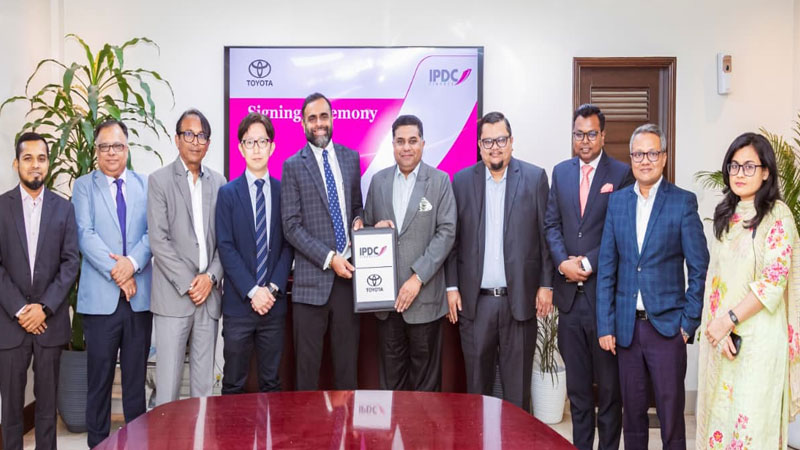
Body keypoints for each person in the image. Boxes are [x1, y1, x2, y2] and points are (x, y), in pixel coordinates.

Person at [596, 123, 708, 449]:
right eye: (638, 154)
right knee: (632, 416)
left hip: (668, 329)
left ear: (664, 158)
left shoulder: (682, 202)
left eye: (652, 153)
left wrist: (688, 323)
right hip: (627, 330)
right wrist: (606, 324)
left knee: (671, 417)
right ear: (631, 158)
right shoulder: (617, 203)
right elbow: (607, 268)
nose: (645, 160)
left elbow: (698, 266)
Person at [696, 132, 800, 447]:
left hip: (758, 342)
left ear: (766, 171)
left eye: (749, 166)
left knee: (751, 428)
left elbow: (773, 281)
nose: (739, 173)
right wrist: (720, 328)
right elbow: (716, 282)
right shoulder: (726, 214)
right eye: (734, 166)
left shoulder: (778, 215)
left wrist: (729, 320)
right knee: (721, 422)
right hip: (724, 337)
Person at [445, 111, 553, 410]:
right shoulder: (462, 181)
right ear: (479, 146)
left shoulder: (534, 178)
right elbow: (453, 240)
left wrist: (546, 285)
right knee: (476, 392)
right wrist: (451, 287)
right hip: (475, 305)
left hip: (518, 303)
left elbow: (546, 238)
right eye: (488, 141)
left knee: (517, 394)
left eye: (501, 140)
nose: (495, 147)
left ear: (511, 142)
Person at [544, 104, 632, 449]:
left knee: (609, 392)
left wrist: (588, 262)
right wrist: (561, 262)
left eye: (591, 134)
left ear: (603, 136)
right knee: (578, 391)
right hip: (569, 301)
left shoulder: (621, 174)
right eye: (578, 134)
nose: (584, 140)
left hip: (603, 300)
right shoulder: (561, 172)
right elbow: (552, 224)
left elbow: (620, 229)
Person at [358, 114, 456, 391]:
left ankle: (423, 426)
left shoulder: (439, 181)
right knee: (392, 388)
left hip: (424, 301)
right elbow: (366, 227)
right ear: (392, 145)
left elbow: (447, 232)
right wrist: (373, 228)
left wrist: (418, 277)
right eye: (400, 141)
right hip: (387, 304)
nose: (406, 147)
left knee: (426, 389)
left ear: (423, 144)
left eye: (412, 141)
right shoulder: (378, 182)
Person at [72, 119, 153, 447]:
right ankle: (97, 444)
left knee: (135, 385)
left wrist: (131, 264)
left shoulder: (145, 184)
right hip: (100, 303)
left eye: (117, 146)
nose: (111, 153)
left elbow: (152, 233)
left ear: (127, 148)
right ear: (96, 150)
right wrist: (120, 273)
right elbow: (85, 235)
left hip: (138, 301)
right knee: (99, 383)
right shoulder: (83, 187)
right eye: (104, 146)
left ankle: (137, 444)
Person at [0, 133, 79, 450]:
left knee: (47, 410)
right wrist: (22, 309)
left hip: (50, 323)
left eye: (42, 158)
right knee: (11, 410)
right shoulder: (1, 207)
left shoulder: (64, 209)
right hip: (10, 323)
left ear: (49, 163)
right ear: (16, 163)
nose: (35, 165)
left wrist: (43, 308)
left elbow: (70, 262)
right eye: (28, 158)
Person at [281, 92, 364, 390]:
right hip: (310, 286)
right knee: (307, 378)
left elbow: (356, 206)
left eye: (324, 116)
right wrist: (330, 258)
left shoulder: (351, 158)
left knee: (346, 375)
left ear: (332, 119)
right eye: (312, 118)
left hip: (348, 283)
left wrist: (359, 221)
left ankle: (348, 425)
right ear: (303, 123)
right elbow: (291, 226)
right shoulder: (292, 165)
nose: (319, 123)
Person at [147, 109, 226, 406]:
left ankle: (200, 434)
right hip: (174, 297)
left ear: (208, 143)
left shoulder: (219, 183)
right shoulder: (159, 181)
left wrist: (211, 277)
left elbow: (225, 240)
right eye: (189, 134)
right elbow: (159, 241)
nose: (195, 141)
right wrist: (192, 283)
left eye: (201, 135)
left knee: (203, 391)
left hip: (209, 298)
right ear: (177, 139)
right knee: (167, 390)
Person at [216, 112, 293, 393]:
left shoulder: (284, 192)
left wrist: (271, 289)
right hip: (239, 306)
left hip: (273, 305)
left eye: (262, 141)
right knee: (233, 384)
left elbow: (288, 244)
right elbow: (225, 246)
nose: (257, 148)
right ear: (241, 148)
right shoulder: (227, 193)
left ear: (272, 147)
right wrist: (252, 291)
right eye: (250, 142)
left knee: (271, 383)